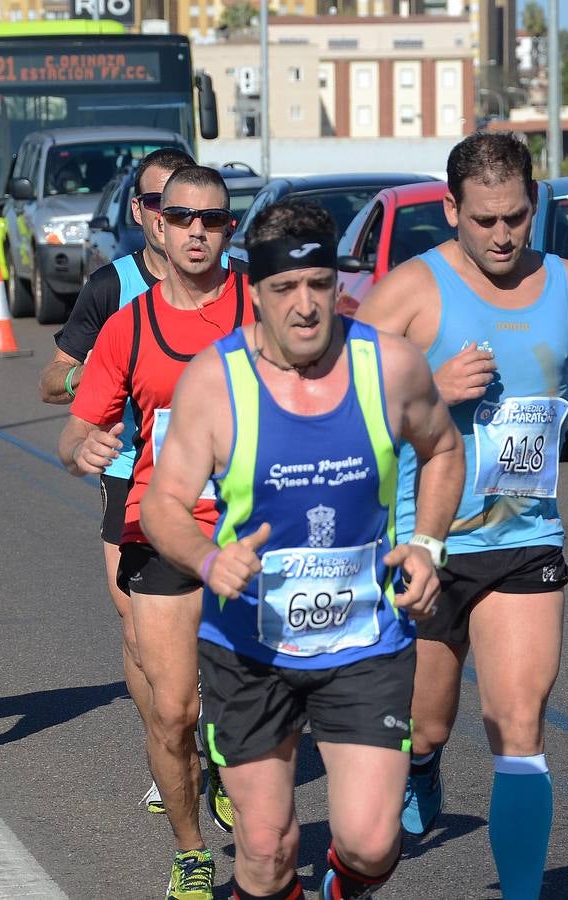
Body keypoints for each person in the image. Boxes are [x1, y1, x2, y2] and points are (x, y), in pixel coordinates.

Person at [354, 131, 568, 899]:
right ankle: (422, 764)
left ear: (535, 207)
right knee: (427, 725)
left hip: (526, 539)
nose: (502, 235)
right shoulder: (408, 291)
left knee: (517, 725)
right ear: (451, 208)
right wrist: (429, 384)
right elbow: (341, 400)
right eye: (485, 219)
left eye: (517, 218)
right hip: (425, 544)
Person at [140, 196, 465, 900]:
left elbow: (443, 448)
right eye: (285, 289)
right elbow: (162, 505)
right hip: (249, 648)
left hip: (364, 640)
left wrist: (427, 543)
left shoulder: (392, 367)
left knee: (374, 843)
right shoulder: (215, 382)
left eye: (319, 285)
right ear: (253, 291)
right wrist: (206, 559)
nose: (306, 306)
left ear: (338, 285)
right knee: (265, 847)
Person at [59, 165, 251, 900]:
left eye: (213, 219)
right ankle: (192, 849)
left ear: (228, 230)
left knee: (255, 705)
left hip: (253, 532)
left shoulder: (260, 310)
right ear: (158, 226)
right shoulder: (128, 326)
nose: (198, 231)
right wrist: (85, 449)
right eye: (183, 218)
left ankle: (240, 778)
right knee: (174, 712)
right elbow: (74, 431)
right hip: (162, 527)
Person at [38, 146, 196, 815]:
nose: (176, 221)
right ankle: (170, 750)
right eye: (162, 206)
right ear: (141, 213)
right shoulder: (111, 286)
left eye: (192, 210)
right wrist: (97, 381)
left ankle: (207, 731)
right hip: (132, 477)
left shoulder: (234, 287)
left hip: (224, 482)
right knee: (136, 626)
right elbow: (50, 380)